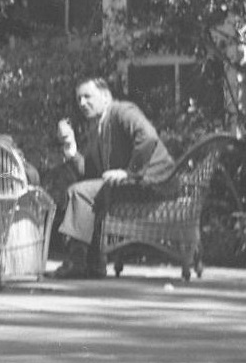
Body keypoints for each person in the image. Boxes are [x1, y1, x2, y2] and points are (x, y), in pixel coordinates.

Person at [51, 75, 173, 278]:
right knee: (84, 191)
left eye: (87, 96)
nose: (82, 103)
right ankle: (94, 264)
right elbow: (89, 174)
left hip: (154, 183)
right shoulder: (97, 127)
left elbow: (148, 136)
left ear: (106, 96)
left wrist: (129, 172)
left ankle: (77, 263)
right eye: (79, 98)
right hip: (128, 186)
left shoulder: (122, 111)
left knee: (80, 193)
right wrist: (70, 147)